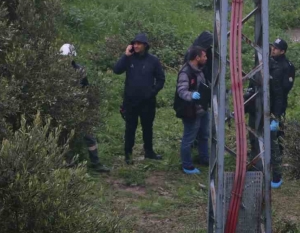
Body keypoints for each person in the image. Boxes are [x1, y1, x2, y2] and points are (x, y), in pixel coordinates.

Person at [247, 38, 296, 189]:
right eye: (272, 47)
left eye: (276, 48)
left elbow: (281, 94)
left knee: (273, 142)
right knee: (254, 134)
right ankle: (256, 164)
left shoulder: (285, 67)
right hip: (257, 105)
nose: (273, 50)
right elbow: (253, 80)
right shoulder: (265, 62)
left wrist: (276, 115)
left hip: (273, 109)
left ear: (283, 51)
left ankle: (276, 174)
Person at [113, 33, 165, 164]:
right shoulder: (129, 59)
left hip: (147, 102)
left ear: (145, 45)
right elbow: (116, 70)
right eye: (134, 43)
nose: (136, 46)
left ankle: (149, 152)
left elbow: (161, 79)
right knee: (130, 128)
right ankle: (128, 154)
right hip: (130, 101)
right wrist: (125, 55)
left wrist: (152, 92)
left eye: (139, 44)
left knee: (148, 127)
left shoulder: (153, 60)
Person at [59, 43, 110, 173]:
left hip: (80, 108)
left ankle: (96, 163)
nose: (65, 60)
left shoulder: (80, 70)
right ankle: (67, 164)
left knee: (89, 137)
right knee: (65, 137)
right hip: (64, 109)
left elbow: (86, 88)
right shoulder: (56, 72)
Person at [174, 46, 211, 174]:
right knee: (189, 138)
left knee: (204, 135)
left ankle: (204, 158)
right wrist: (191, 96)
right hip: (191, 111)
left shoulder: (199, 70)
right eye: (204, 56)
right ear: (197, 58)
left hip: (202, 109)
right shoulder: (186, 72)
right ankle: (187, 165)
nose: (206, 58)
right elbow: (181, 90)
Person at [184, 31, 213, 150]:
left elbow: (210, 67)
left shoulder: (208, 51)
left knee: (203, 115)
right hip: (193, 86)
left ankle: (201, 146)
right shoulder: (192, 52)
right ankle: (192, 142)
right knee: (193, 118)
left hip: (204, 84)